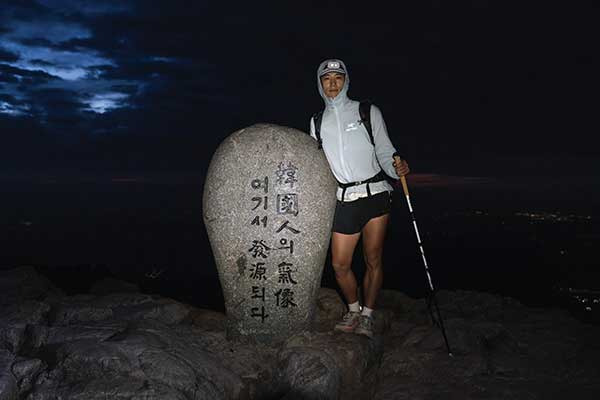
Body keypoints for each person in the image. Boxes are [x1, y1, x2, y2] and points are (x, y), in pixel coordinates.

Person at [310, 59, 410, 338]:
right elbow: (317, 164)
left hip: (376, 194)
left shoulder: (366, 111)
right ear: (319, 84)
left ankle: (367, 314)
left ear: (346, 81)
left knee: (373, 258)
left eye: (338, 78)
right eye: (326, 78)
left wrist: (395, 168)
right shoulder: (316, 122)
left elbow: (385, 151)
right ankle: (353, 308)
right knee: (340, 264)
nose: (332, 83)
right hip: (344, 198)